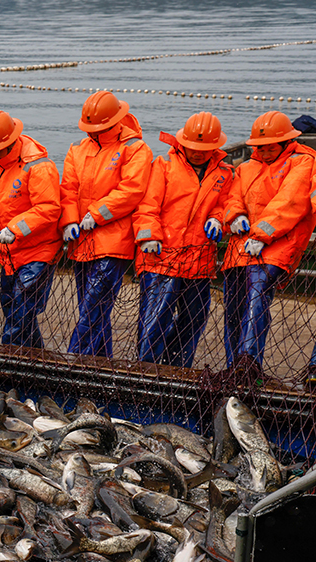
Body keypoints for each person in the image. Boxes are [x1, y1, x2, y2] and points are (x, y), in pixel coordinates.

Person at [133, 112, 233, 367]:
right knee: (155, 319)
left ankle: (177, 367)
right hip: (160, 258)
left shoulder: (225, 174)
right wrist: (149, 235)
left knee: (194, 319)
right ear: (183, 143)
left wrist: (217, 220)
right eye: (193, 148)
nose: (198, 153)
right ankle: (147, 369)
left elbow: (226, 206)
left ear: (215, 147)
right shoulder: (163, 166)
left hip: (199, 261)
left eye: (205, 149)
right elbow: (147, 207)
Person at [222, 110, 315, 376]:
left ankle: (248, 365)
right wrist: (235, 215)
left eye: (269, 148)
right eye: (259, 148)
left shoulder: (302, 162)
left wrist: (262, 235)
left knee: (256, 298)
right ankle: (234, 364)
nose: (263, 152)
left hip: (278, 246)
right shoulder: (245, 167)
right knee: (234, 308)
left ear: (286, 142)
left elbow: (290, 202)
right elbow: (232, 197)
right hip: (241, 248)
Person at [61, 91, 152, 358]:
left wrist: (96, 213)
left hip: (114, 241)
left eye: (98, 128)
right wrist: (69, 222)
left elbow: (132, 190)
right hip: (82, 242)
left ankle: (72, 362)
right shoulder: (78, 149)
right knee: (93, 312)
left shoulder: (135, 149)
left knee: (92, 309)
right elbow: (67, 189)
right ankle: (101, 365)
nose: (93, 133)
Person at [0, 110, 62, 348]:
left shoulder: (38, 166)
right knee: (14, 310)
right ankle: (35, 359)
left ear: (11, 141)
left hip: (37, 252)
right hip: (10, 253)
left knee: (19, 316)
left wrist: (15, 229)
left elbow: (50, 207)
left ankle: (6, 363)